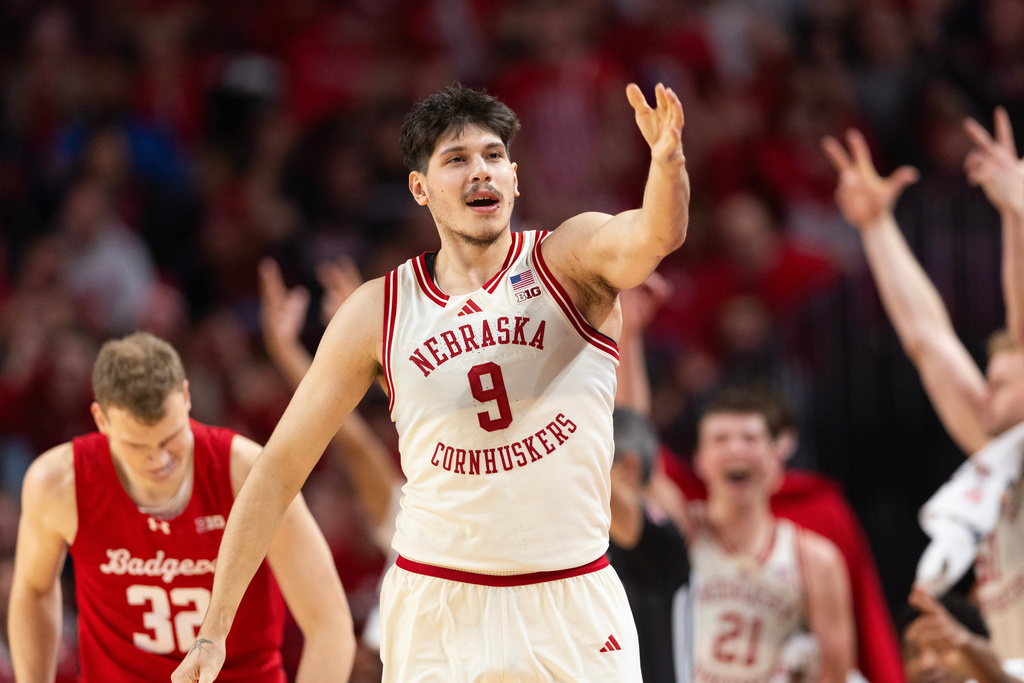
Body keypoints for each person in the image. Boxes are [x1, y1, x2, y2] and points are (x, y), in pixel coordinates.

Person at [173, 79, 691, 682]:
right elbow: (279, 468)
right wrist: (213, 631)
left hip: (569, 595)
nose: (481, 171)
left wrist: (668, 165)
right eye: (457, 159)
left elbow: (656, 234)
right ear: (420, 188)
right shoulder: (378, 311)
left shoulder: (569, 260)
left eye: (493, 156)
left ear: (515, 178)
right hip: (438, 606)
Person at [8, 331, 356, 682]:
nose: (158, 459)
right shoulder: (59, 482)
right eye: (136, 446)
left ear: (187, 397)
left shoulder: (247, 473)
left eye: (170, 438)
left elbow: (330, 624)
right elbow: (34, 590)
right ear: (101, 419)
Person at [821, 109, 1024, 664]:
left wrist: (1016, 212)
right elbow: (927, 340)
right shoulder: (997, 458)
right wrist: (876, 228)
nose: (985, 394)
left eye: (1002, 383)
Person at [686, 385, 855, 683]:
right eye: (721, 439)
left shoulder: (815, 558)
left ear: (776, 458)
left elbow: (835, 672)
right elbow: (634, 462)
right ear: (700, 460)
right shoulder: (682, 537)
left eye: (749, 439)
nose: (735, 449)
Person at [900, 586, 1023, 683]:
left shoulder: (1016, 670)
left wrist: (964, 641)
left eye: (940, 649)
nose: (926, 664)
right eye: (913, 654)